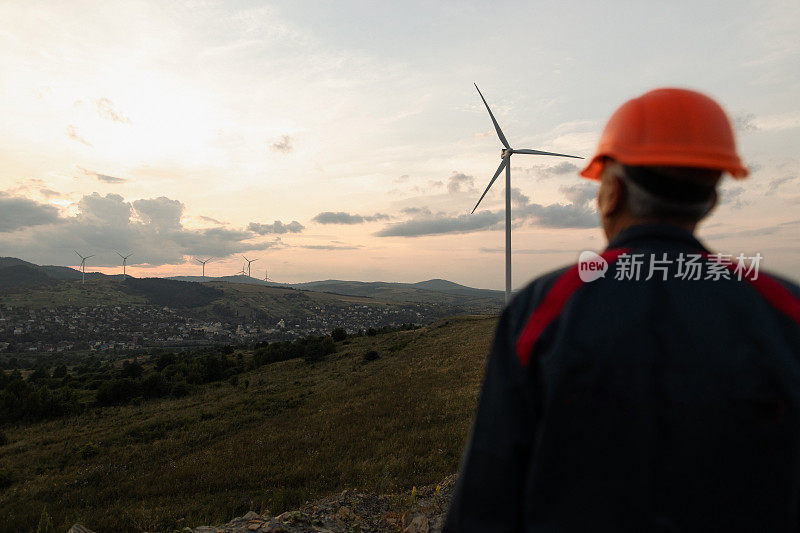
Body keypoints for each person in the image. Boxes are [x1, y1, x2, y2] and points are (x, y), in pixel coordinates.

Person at [443, 88, 800, 532]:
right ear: (711, 200)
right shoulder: (786, 308)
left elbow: (486, 499)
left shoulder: (544, 308)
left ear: (611, 192)